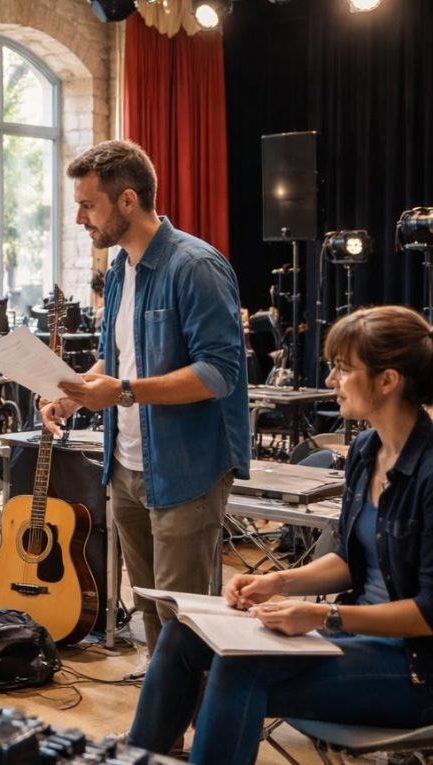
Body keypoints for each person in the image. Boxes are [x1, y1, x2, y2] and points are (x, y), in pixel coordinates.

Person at [128, 306, 433, 764]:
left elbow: (429, 614)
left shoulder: (429, 472)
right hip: (354, 641)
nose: (331, 380)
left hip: (413, 669)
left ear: (388, 381)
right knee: (181, 635)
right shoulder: (368, 450)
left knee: (239, 671)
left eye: (343, 369)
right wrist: (278, 582)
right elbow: (354, 561)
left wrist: (324, 618)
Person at [40, 140, 250, 654]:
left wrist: (125, 393)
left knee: (185, 620)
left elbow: (220, 372)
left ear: (128, 200)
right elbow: (117, 361)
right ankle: (165, 731)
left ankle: (198, 727)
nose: (79, 218)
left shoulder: (194, 266)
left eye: (88, 205)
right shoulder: (119, 270)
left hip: (186, 468)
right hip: (126, 465)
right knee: (151, 611)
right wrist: (72, 395)